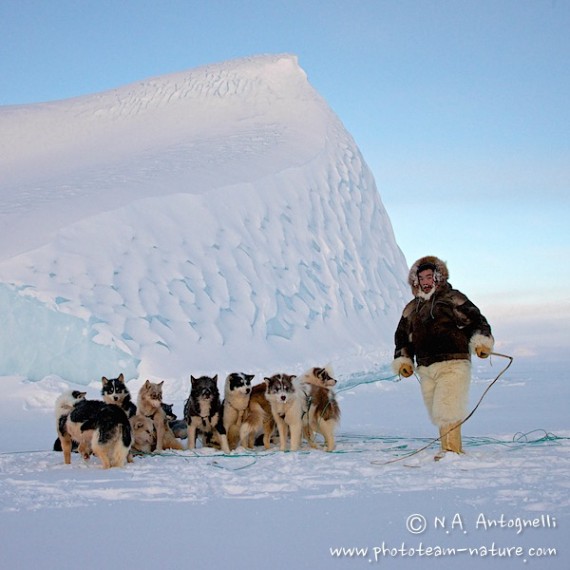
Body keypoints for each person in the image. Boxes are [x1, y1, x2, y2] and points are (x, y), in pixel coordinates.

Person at [392, 255, 494, 459]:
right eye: (422, 278)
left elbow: (477, 321)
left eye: (429, 277)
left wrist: (481, 343)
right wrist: (404, 361)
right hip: (426, 366)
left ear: (437, 277)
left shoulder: (453, 298)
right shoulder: (412, 309)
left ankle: (452, 450)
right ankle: (446, 448)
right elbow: (402, 337)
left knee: (448, 406)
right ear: (416, 281)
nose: (426, 281)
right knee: (436, 409)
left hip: (453, 362)